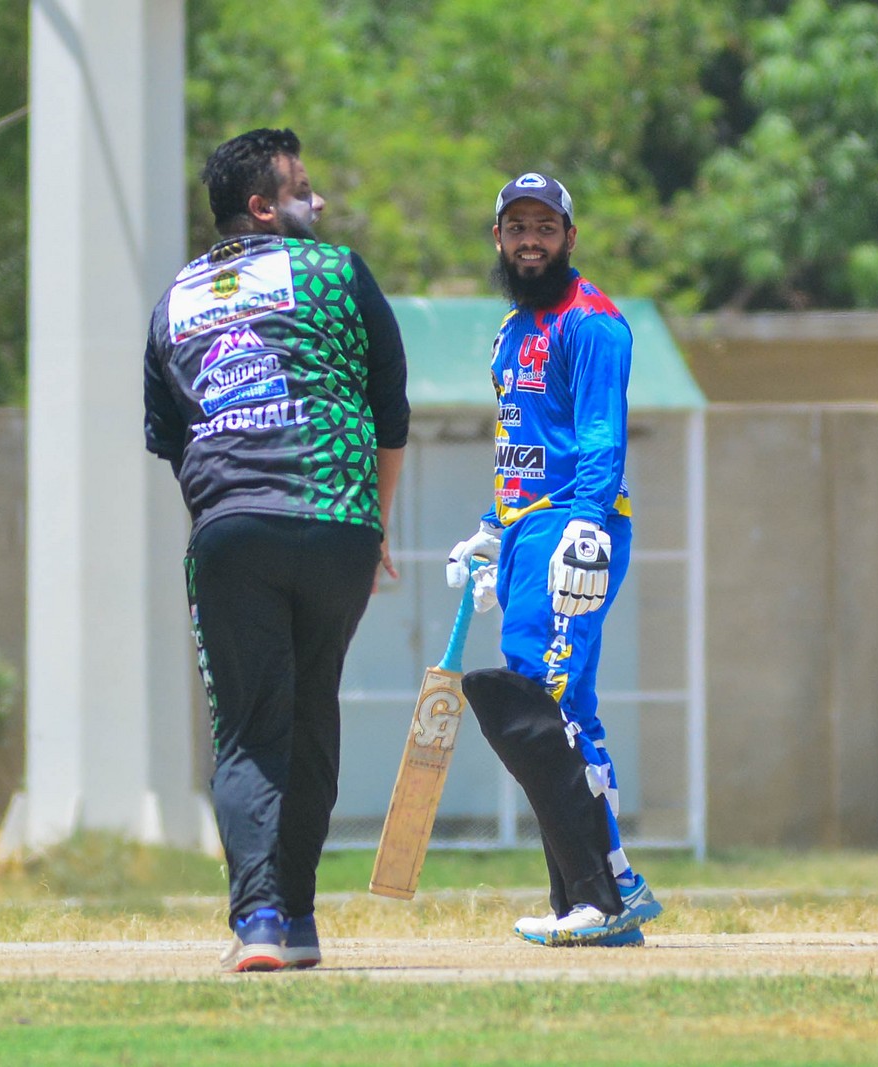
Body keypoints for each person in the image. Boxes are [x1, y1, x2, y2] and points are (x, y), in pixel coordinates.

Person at [143, 128, 409, 972]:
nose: (318, 201)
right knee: (310, 714)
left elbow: (170, 437)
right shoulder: (339, 273)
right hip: (339, 524)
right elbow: (390, 407)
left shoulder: (174, 299)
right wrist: (377, 524)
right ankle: (296, 919)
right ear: (261, 208)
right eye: (302, 190)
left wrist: (227, 513)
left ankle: (259, 919)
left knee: (251, 728)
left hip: (233, 530)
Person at [445, 172, 660, 947]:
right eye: (517, 228)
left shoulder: (591, 321)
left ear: (570, 236)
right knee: (558, 706)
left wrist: (588, 527)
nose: (529, 241)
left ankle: (602, 895)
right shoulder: (512, 329)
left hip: (574, 525)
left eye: (544, 227)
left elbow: (600, 434)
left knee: (550, 701)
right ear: (498, 238)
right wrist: (490, 529)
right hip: (526, 530)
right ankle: (602, 888)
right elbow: (523, 441)